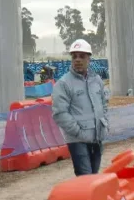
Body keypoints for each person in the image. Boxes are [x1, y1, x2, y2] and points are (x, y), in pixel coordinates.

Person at [51, 39, 109, 176]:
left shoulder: (97, 81)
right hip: (78, 141)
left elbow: (104, 104)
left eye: (82, 56)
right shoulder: (63, 84)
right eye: (74, 56)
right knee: (85, 179)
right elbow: (59, 113)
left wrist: (104, 124)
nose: (77, 60)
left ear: (89, 58)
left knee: (94, 177)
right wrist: (78, 132)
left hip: (96, 138)